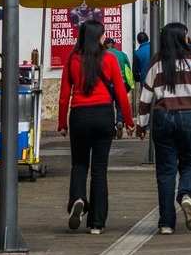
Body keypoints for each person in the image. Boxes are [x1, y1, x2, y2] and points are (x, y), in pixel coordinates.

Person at [136, 23, 191, 235]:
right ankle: (186, 195)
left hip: (162, 118)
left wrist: (141, 124)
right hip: (188, 117)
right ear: (182, 38)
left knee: (165, 171)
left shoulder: (157, 63)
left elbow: (146, 97)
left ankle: (166, 223)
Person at [58, 20, 135, 234]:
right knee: (99, 170)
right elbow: (120, 93)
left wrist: (62, 124)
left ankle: (78, 198)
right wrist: (128, 121)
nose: (104, 38)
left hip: (80, 116)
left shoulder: (72, 59)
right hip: (103, 116)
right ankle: (96, 223)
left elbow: (64, 96)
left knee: (79, 164)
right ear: (97, 37)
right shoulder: (110, 59)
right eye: (102, 35)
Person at [104, 38, 134, 139]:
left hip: (107, 86)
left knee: (109, 107)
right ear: (114, 45)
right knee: (120, 105)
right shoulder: (123, 55)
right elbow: (128, 70)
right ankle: (120, 121)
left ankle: (111, 129)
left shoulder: (102, 55)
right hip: (121, 84)